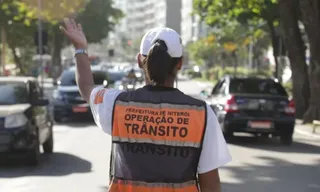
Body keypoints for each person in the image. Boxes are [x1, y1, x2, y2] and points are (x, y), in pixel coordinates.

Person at [60, 18, 231, 192]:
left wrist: (80, 48)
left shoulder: (117, 104)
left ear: (140, 61)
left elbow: (86, 87)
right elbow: (210, 182)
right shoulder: (202, 113)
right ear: (179, 63)